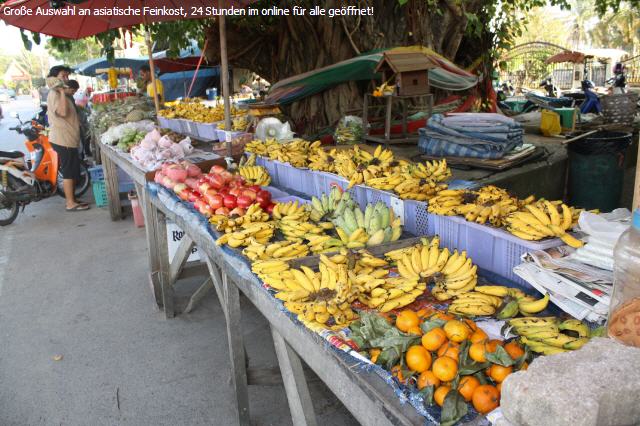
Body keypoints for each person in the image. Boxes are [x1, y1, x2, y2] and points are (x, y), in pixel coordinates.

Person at [46, 68, 88, 212]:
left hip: (68, 138)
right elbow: (63, 113)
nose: (66, 78)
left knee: (73, 169)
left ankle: (73, 199)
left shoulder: (58, 92)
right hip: (63, 139)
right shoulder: (55, 93)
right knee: (69, 170)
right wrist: (63, 92)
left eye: (67, 75)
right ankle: (70, 203)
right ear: (54, 78)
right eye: (63, 76)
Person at [65, 79, 92, 158]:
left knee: (83, 140)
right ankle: (82, 158)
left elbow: (75, 107)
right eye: (72, 91)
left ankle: (83, 157)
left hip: (79, 121)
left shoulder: (70, 96)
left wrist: (82, 109)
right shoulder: (64, 97)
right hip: (74, 125)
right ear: (67, 88)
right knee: (80, 143)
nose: (73, 93)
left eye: (74, 91)